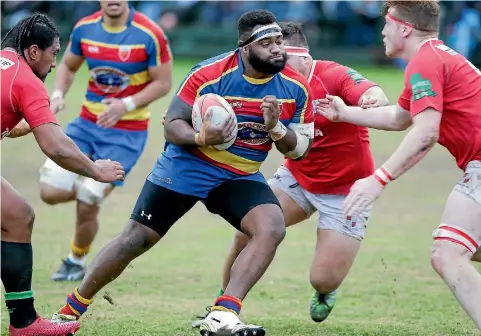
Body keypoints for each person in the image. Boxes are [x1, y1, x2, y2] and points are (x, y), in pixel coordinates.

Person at [52, 9, 314, 336]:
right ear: (244, 47)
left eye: (280, 42)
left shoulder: (296, 87)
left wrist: (275, 128)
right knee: (135, 239)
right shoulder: (208, 74)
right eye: (267, 43)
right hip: (187, 166)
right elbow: (173, 125)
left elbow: (299, 150)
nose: (278, 49)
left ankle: (223, 314)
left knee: (271, 227)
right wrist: (201, 137)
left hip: (239, 174)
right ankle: (67, 312)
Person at [191, 21, 390, 328]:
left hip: (347, 190)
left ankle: (325, 291)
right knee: (247, 231)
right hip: (297, 179)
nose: (277, 61)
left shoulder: (333, 74)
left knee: (322, 278)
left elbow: (370, 91)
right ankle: (224, 304)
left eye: (284, 53)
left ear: (305, 59)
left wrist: (371, 99)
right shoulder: (273, 83)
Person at [316, 0, 481, 329]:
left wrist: (378, 179)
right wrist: (344, 113)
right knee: (467, 247)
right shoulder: (436, 56)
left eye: (386, 24)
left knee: (447, 254)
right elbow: (400, 117)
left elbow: (426, 133)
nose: (382, 31)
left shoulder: (425, 62)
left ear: (404, 28)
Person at [1, 13, 125, 336]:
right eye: (53, 53)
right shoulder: (27, 82)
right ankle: (25, 325)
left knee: (16, 216)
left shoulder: (5, 64)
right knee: (17, 216)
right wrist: (96, 170)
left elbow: (6, 118)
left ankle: (24, 324)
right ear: (33, 52)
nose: (54, 63)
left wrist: (30, 122)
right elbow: (55, 146)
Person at [36, 0, 173, 282]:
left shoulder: (150, 33)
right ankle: (89, 185)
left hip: (127, 133)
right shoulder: (85, 28)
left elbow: (163, 82)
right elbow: (68, 67)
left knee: (90, 197)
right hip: (85, 126)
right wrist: (59, 94)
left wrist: (127, 104)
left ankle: (75, 260)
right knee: (49, 192)